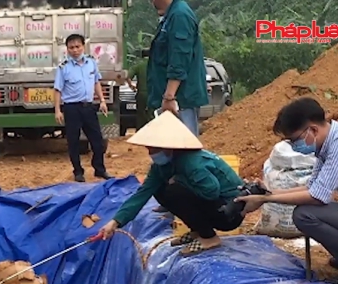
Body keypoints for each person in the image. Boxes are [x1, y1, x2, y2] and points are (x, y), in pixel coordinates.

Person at [98, 111, 244, 256]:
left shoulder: (191, 162)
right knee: (160, 189)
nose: (151, 153)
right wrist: (115, 222)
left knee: (174, 191)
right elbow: (142, 194)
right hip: (215, 208)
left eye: (154, 149)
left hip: (229, 213)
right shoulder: (161, 168)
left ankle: (209, 237)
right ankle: (199, 230)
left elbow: (211, 191)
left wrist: (180, 181)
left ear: (168, 147)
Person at [236, 97, 338, 283]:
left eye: (294, 140)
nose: (293, 146)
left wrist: (265, 200)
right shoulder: (326, 145)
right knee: (310, 211)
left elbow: (317, 197)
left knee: (306, 214)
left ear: (312, 129)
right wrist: (268, 193)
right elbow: (312, 187)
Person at [54, 33, 113, 183]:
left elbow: (96, 82)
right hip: (72, 109)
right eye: (71, 47)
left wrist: (102, 100)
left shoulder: (91, 63)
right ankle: (78, 172)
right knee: (73, 142)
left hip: (88, 107)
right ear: (67, 49)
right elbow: (57, 89)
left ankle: (99, 169)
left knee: (97, 141)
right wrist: (57, 110)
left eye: (77, 46)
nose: (75, 50)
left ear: (83, 47)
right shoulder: (63, 67)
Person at [147, 0, 208, 137]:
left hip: (180, 100)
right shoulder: (171, 16)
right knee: (169, 151)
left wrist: (169, 97)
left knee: (183, 149)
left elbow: (179, 58)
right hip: (175, 99)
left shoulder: (180, 16)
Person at [126, 57, 151, 131]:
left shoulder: (139, 65)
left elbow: (127, 76)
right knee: (152, 114)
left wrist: (131, 85)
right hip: (153, 93)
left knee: (141, 115)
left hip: (141, 93)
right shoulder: (156, 64)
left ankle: (140, 133)